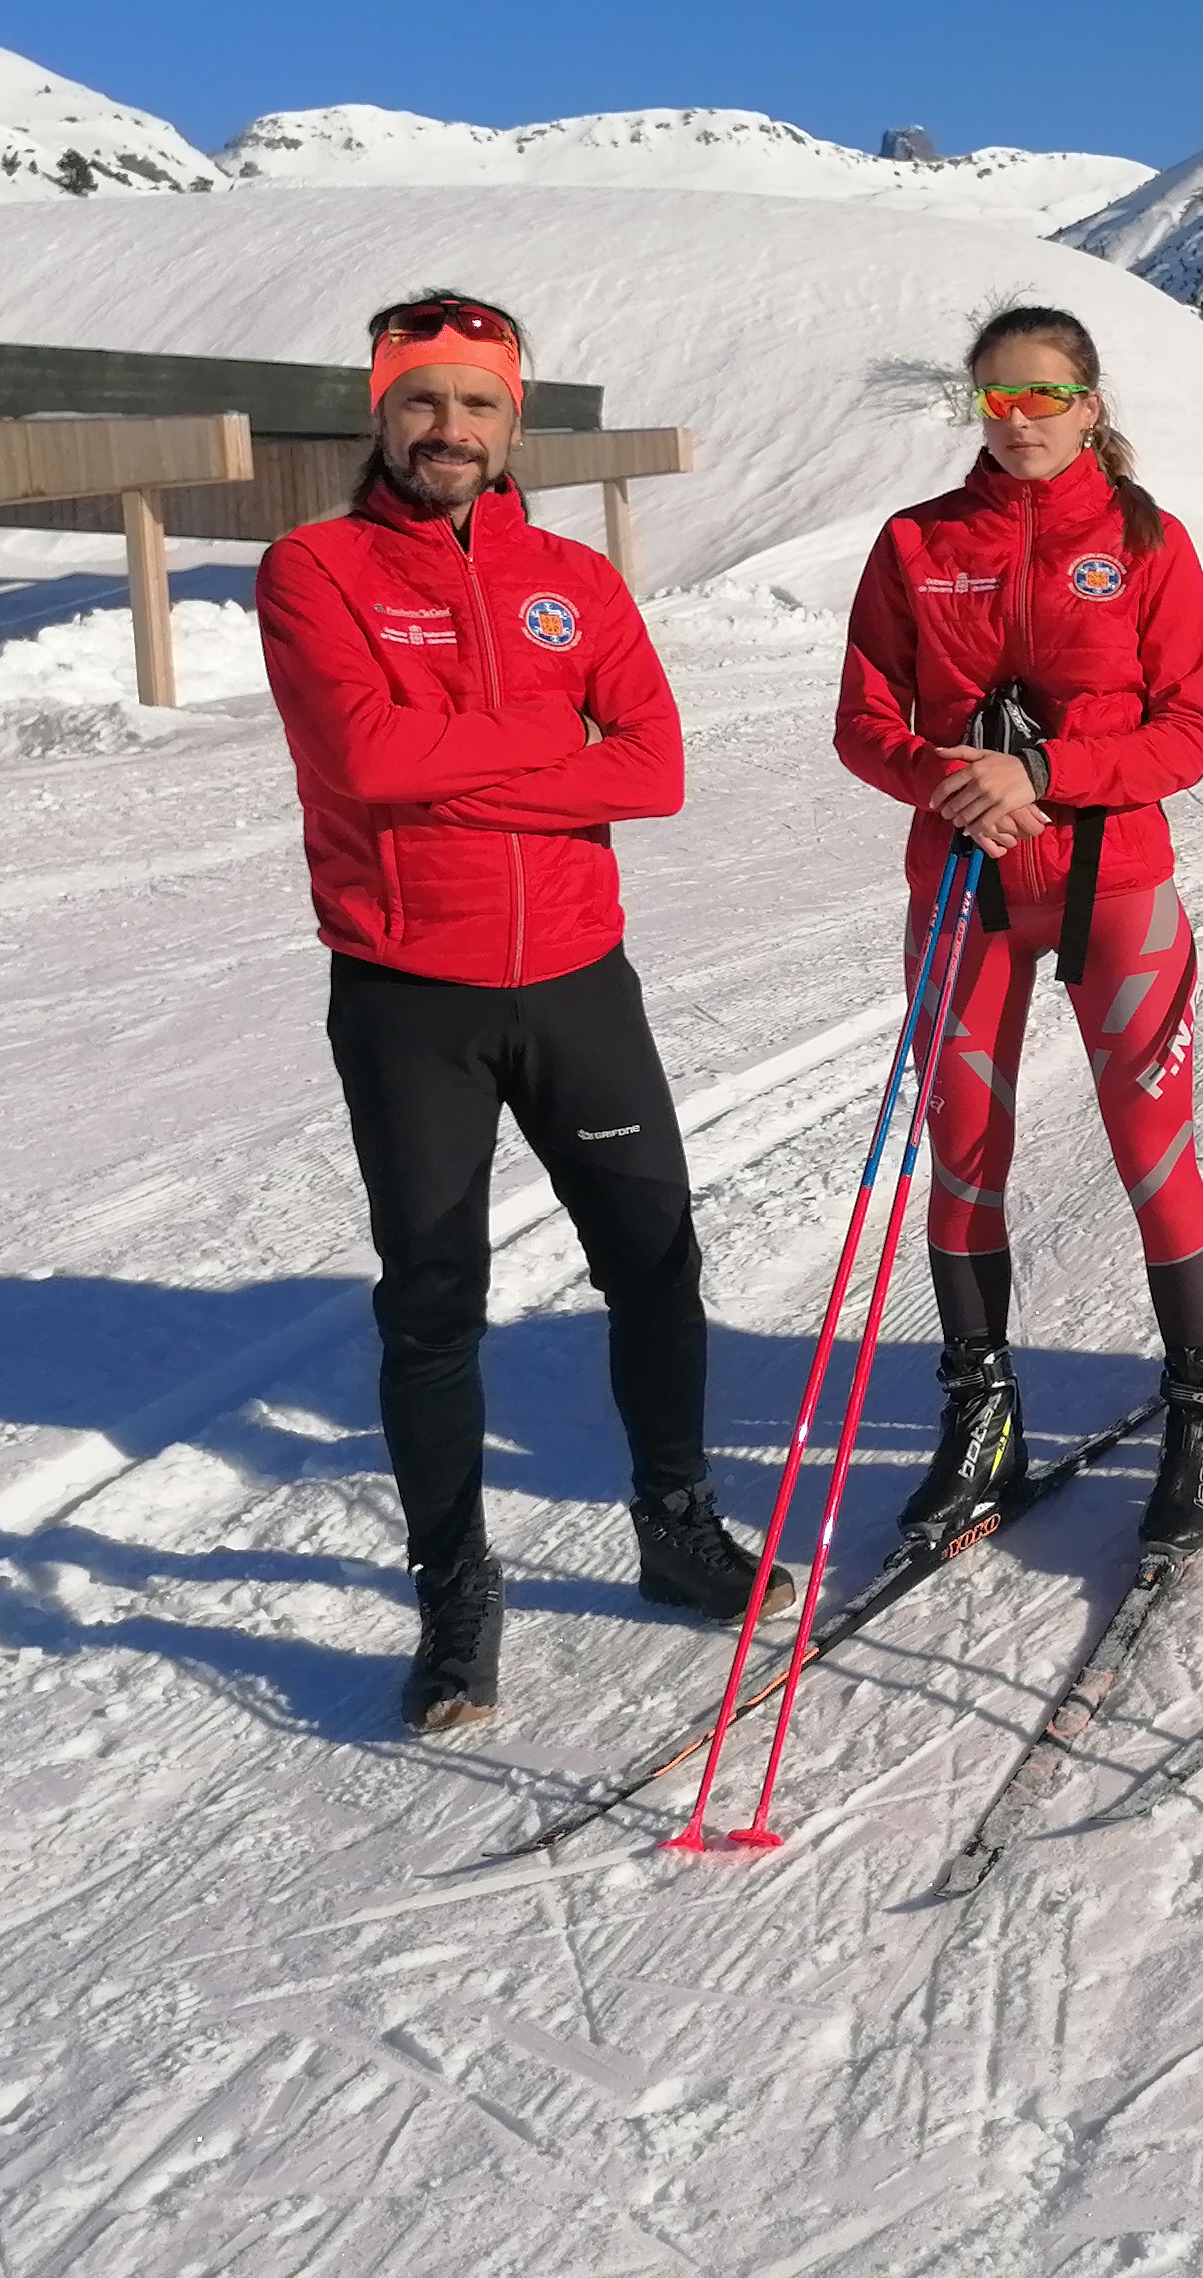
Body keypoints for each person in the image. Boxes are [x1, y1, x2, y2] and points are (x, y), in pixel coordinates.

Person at [257, 292, 758, 1736]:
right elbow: (364, 759)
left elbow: (653, 767)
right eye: (422, 401)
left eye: (477, 403)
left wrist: (455, 772)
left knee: (653, 1261)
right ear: (380, 414)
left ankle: (676, 1525)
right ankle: (456, 1592)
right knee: (432, 1302)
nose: (450, 428)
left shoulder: (573, 579)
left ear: (511, 420)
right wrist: (551, 734)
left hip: (578, 979)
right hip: (410, 990)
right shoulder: (316, 569)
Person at [834, 306, 1203, 1553]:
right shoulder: (917, 542)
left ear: (1089, 405)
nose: (1019, 420)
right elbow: (863, 721)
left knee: (1153, 1151)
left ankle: (1200, 1411)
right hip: (967, 883)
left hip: (1112, 879)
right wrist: (945, 778)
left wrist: (1047, 771)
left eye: (1043, 397)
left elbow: (1187, 732)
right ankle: (982, 1415)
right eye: (996, 400)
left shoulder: (1145, 541)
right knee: (964, 1154)